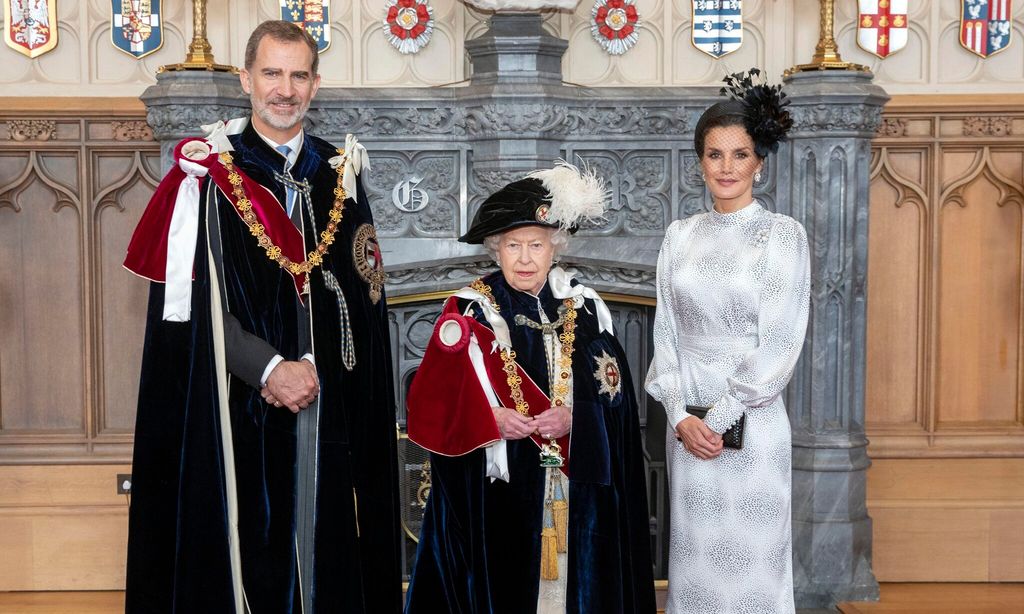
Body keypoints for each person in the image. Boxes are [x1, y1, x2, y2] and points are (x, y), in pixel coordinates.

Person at [122, 20, 401, 613]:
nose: (285, 88)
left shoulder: (338, 173)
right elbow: (189, 313)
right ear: (246, 79)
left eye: (299, 75)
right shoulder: (208, 177)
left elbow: (363, 293)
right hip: (236, 407)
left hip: (328, 404)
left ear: (315, 84)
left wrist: (319, 366)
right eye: (272, 73)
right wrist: (271, 367)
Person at [404, 163, 656, 614]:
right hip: (497, 492)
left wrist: (577, 417)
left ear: (553, 249)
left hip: (576, 486)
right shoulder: (468, 312)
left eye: (536, 245)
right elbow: (429, 407)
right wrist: (489, 418)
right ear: (495, 250)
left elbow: (617, 398)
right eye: (513, 246)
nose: (524, 258)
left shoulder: (585, 307)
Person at [645, 69, 809, 614]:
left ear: (759, 162)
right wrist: (678, 416)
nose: (727, 168)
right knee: (695, 569)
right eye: (715, 155)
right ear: (700, 162)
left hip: (753, 428)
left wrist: (716, 419)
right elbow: (665, 331)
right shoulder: (679, 235)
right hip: (686, 428)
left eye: (740, 155)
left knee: (753, 573)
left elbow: (780, 341)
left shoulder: (782, 236)